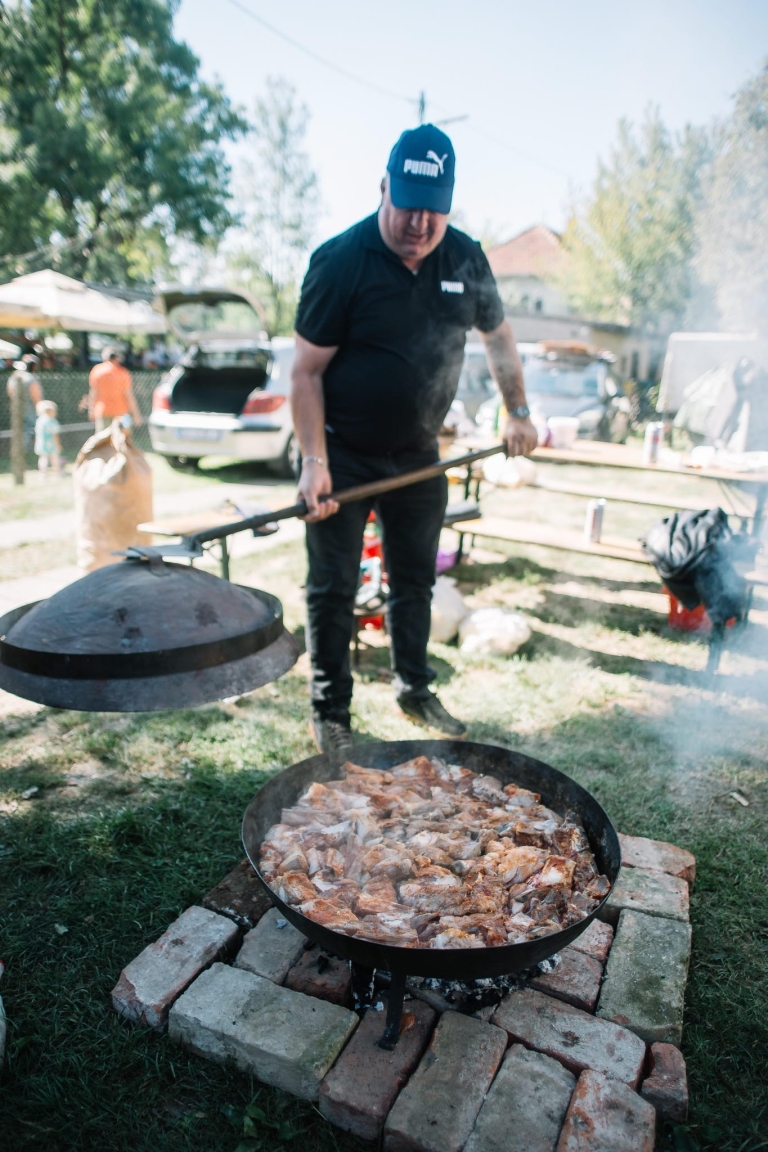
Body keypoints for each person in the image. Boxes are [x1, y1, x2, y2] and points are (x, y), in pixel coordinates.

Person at [291, 123, 537, 760]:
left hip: (419, 453)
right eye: (408, 205)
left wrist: (517, 410)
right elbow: (306, 372)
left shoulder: (465, 258)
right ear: (383, 189)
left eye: (434, 209)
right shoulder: (339, 262)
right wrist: (314, 461)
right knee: (334, 586)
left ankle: (414, 686)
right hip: (341, 451)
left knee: (414, 583)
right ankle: (331, 709)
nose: (420, 223)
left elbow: (500, 338)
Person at [88, 347, 142, 432]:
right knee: (122, 441)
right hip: (121, 413)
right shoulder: (123, 373)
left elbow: (93, 393)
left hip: (102, 412)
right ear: (117, 358)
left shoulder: (97, 371)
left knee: (103, 442)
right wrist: (136, 414)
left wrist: (91, 411)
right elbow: (129, 395)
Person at [6, 354, 43, 450]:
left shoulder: (14, 377)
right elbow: (36, 396)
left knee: (22, 434)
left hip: (17, 410)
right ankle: (47, 454)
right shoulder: (31, 378)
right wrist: (41, 410)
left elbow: (10, 392)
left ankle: (19, 457)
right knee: (42, 430)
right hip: (31, 411)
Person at [34, 400, 62, 476]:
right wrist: (58, 444)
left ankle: (43, 473)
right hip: (51, 443)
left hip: (41, 443)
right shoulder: (52, 422)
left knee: (43, 458)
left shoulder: (39, 421)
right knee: (54, 457)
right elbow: (55, 435)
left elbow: (37, 433)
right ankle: (57, 471)